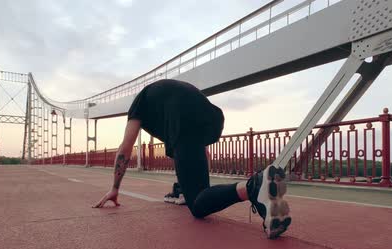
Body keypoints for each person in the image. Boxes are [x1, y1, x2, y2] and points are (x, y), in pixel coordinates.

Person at [92, 79, 291, 239]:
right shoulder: (164, 93)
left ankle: (253, 186)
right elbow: (201, 153)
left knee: (197, 206)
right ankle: (270, 209)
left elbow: (125, 149)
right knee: (201, 193)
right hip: (212, 118)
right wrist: (205, 189)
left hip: (184, 121)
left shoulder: (138, 105)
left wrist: (115, 188)